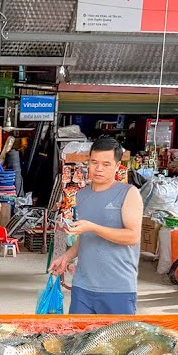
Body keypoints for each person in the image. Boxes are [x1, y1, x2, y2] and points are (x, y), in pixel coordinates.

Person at [48, 135, 143, 315]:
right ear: (88, 163)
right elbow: (85, 237)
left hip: (117, 288)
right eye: (94, 162)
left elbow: (132, 237)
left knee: (116, 343)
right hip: (82, 287)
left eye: (106, 164)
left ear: (117, 166)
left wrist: (93, 227)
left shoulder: (128, 193)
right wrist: (66, 257)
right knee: (79, 341)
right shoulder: (81, 195)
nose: (98, 169)